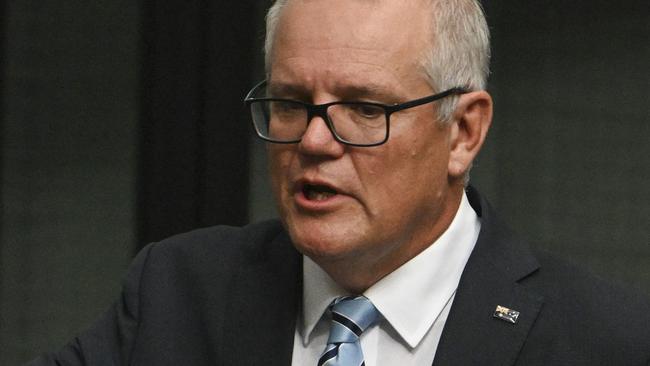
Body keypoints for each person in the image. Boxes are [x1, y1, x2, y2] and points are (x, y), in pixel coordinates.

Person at [28, 0, 649, 365]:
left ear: (462, 131)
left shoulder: (604, 339)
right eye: (292, 101)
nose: (314, 141)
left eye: (365, 109)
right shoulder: (176, 294)